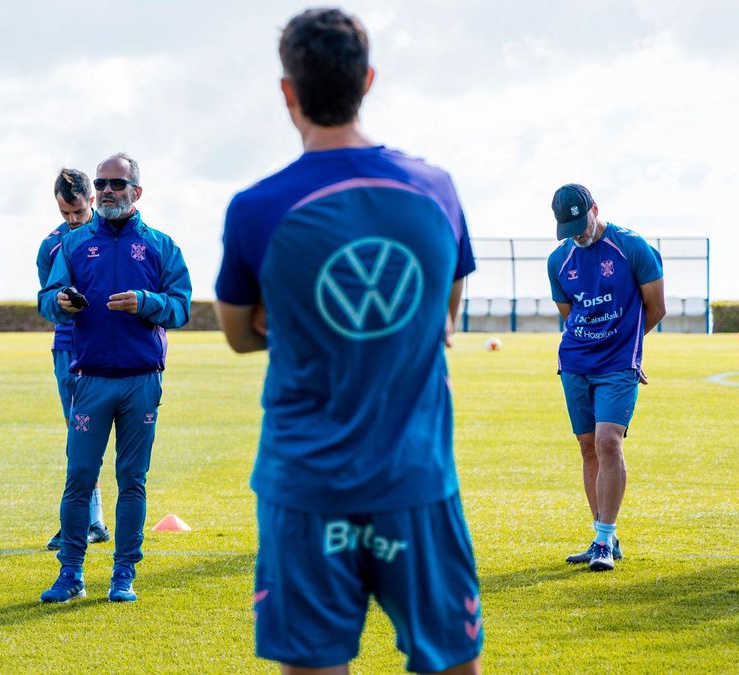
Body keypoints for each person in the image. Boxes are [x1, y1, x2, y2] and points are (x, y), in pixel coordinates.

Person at [214, 8, 481, 673]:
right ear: (368, 79)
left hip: (305, 484)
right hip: (415, 480)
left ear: (288, 92)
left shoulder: (257, 207)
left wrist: (291, 316)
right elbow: (446, 312)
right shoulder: (435, 190)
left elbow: (239, 334)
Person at [37, 153, 191, 603]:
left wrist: (146, 301)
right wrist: (61, 301)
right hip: (89, 379)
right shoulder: (74, 243)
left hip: (141, 380)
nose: (106, 190)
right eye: (101, 183)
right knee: (79, 478)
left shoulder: (162, 245)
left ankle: (123, 573)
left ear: (136, 192)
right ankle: (70, 574)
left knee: (132, 479)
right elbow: (47, 298)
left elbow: (181, 306)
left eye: (116, 184)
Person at [547, 183, 665, 572]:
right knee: (587, 447)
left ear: (595, 209)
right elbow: (570, 313)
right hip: (576, 363)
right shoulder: (558, 260)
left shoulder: (632, 247)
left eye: (581, 224)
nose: (577, 233)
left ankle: (602, 538)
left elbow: (656, 308)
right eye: (568, 228)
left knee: (608, 441)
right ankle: (604, 536)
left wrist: (627, 350)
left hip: (618, 365)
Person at [36, 168, 109, 552]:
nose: (73, 221)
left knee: (100, 431)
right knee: (76, 432)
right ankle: (91, 519)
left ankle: (88, 520)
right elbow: (46, 302)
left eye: (78, 212)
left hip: (105, 346)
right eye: (65, 214)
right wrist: (62, 303)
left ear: (91, 201)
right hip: (67, 345)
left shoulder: (111, 235)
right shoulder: (50, 246)